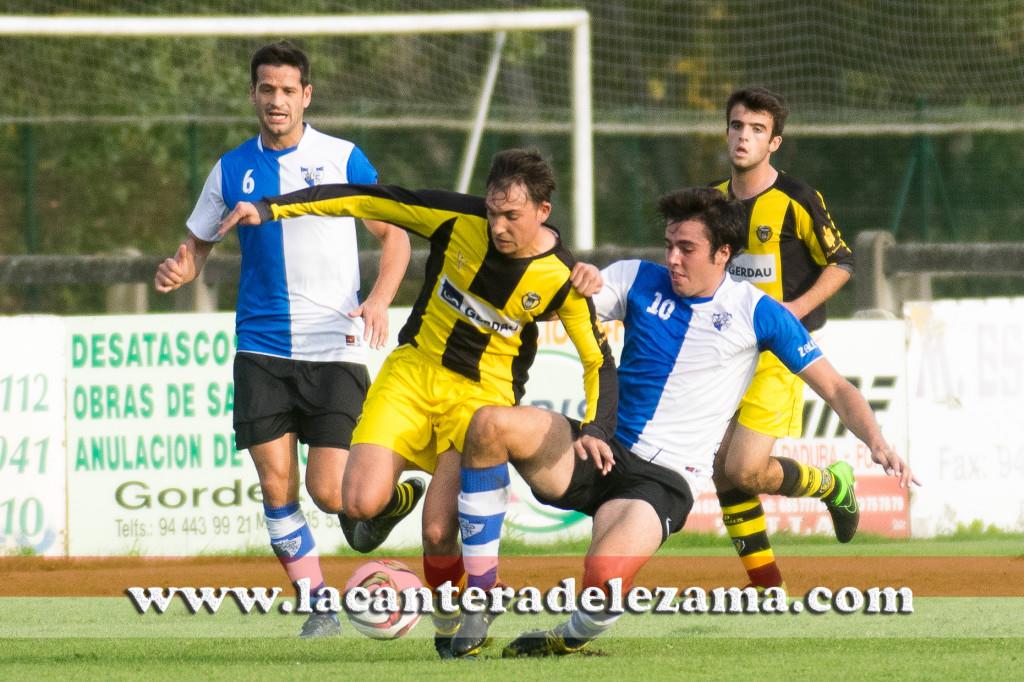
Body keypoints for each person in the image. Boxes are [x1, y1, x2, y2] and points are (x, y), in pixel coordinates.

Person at [450, 187, 916, 657]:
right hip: (601, 448)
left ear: (723, 253)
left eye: (687, 248)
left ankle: (568, 637)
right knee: (490, 424)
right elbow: (558, 305)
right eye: (669, 245)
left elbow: (836, 388)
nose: (673, 258)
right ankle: (482, 594)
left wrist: (877, 441)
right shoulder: (635, 276)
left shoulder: (757, 312)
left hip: (662, 480)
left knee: (602, 579)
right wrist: (569, 275)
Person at [217, 147, 618, 658]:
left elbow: (598, 361)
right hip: (411, 375)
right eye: (493, 212)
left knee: (437, 531)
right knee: (356, 504)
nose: (497, 226)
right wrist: (273, 207)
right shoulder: (456, 218)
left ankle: (455, 619)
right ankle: (396, 501)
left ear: (542, 211)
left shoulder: (562, 277)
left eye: (511, 216)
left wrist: (598, 427)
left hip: (478, 401)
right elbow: (365, 198)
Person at [153, 41, 413, 639]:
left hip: (333, 347)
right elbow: (197, 244)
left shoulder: (343, 157)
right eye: (266, 90)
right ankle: (317, 605)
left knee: (332, 494)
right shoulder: (230, 167)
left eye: (288, 91)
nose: (277, 101)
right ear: (253, 94)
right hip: (262, 347)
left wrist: (377, 299)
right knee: (276, 482)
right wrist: (180, 268)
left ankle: (384, 501)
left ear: (307, 96)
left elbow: (394, 237)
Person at [708, 87, 857, 591]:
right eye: (736, 126)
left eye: (756, 129)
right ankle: (766, 587)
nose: (743, 137)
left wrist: (791, 312)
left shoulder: (797, 199)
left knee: (745, 469)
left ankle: (832, 485)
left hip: (778, 352)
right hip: (726, 353)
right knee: (723, 470)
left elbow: (842, 263)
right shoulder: (710, 202)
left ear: (775, 143)